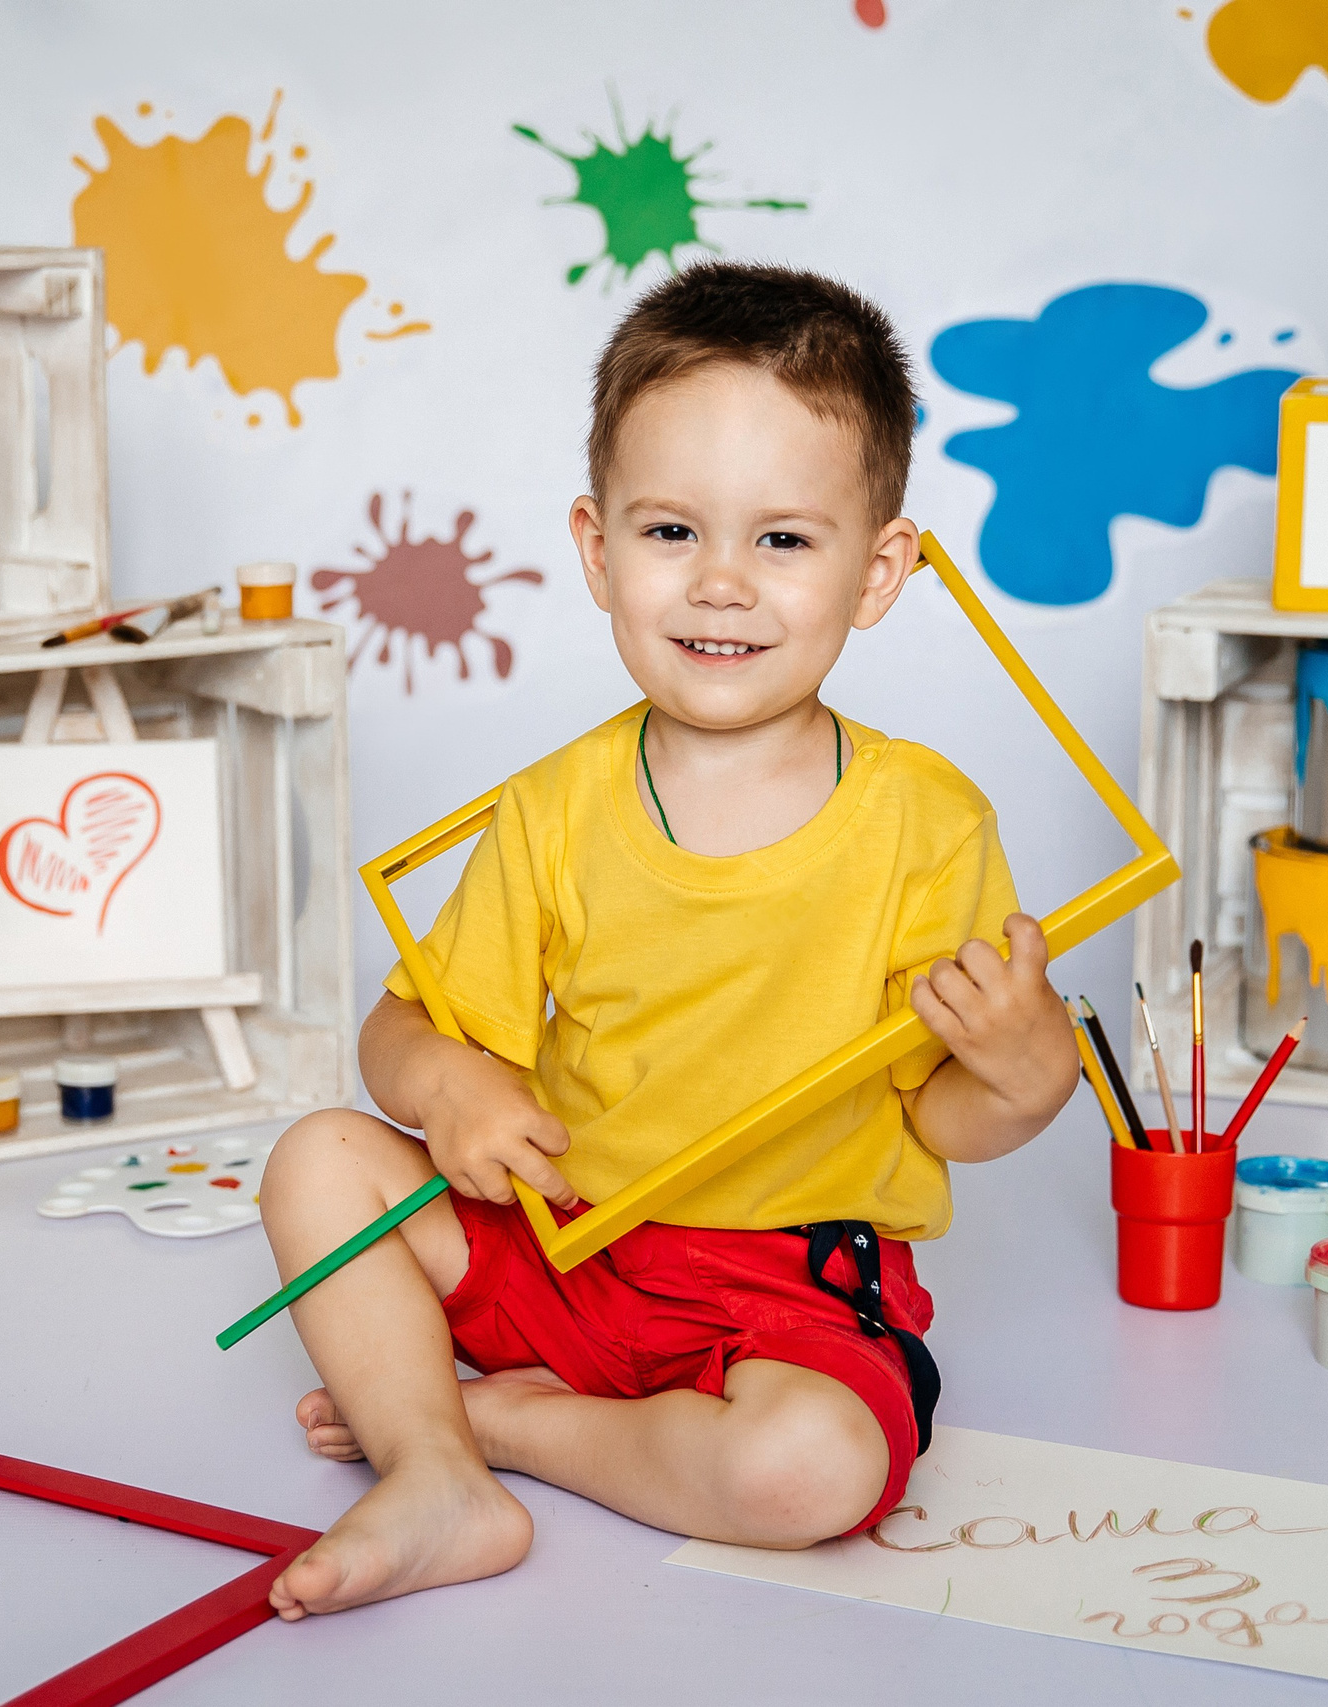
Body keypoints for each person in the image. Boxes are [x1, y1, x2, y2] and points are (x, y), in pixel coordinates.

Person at [257, 261, 1084, 1619]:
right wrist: (444, 1084)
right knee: (318, 1159)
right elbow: (401, 1030)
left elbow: (941, 1122)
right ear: (596, 550)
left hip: (786, 1290)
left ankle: (507, 1430)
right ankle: (431, 1472)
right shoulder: (556, 808)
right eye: (669, 533)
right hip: (563, 1243)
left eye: (782, 541)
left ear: (879, 573)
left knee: (807, 1475)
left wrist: (1027, 1069)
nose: (720, 587)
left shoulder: (927, 821)